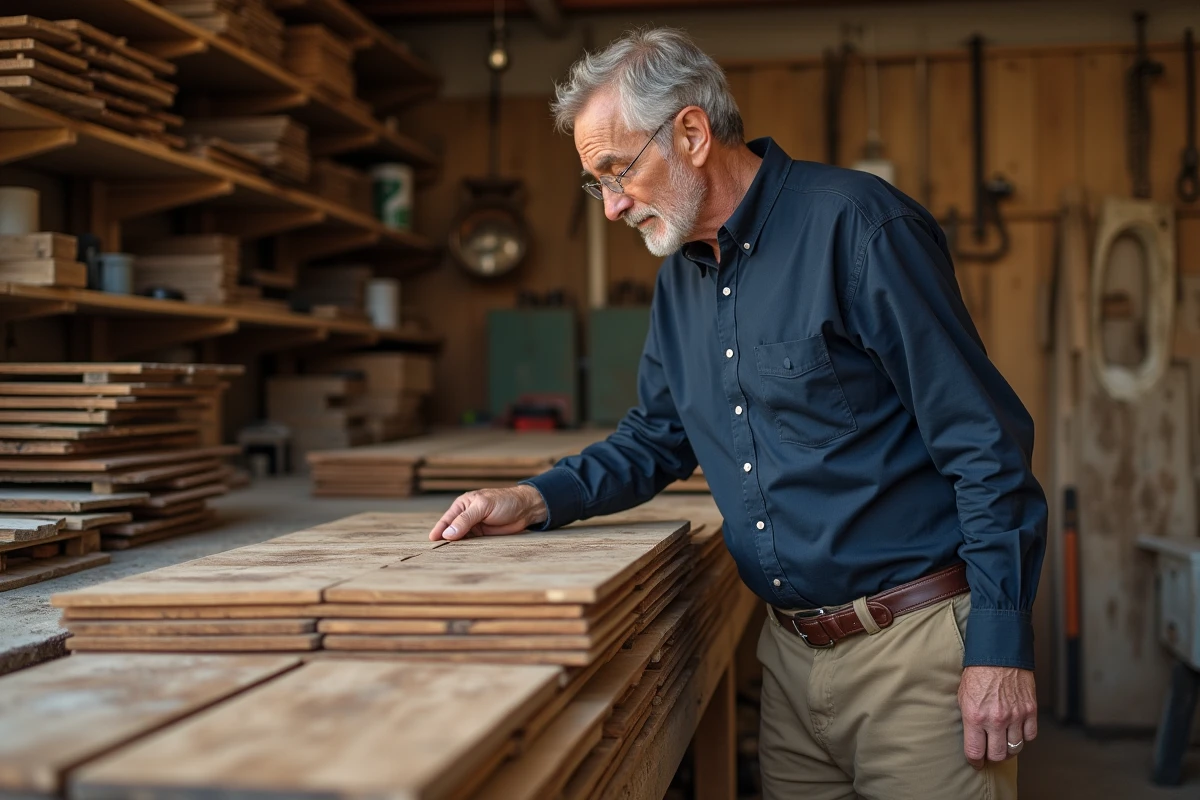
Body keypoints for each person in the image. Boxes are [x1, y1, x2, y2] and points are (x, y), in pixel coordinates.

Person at [428, 26, 1046, 800]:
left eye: (617, 172)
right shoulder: (678, 281)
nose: (613, 207)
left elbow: (984, 443)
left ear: (690, 132)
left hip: (915, 653)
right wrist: (534, 497)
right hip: (787, 661)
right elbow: (656, 437)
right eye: (598, 185)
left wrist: (999, 647)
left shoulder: (857, 227)